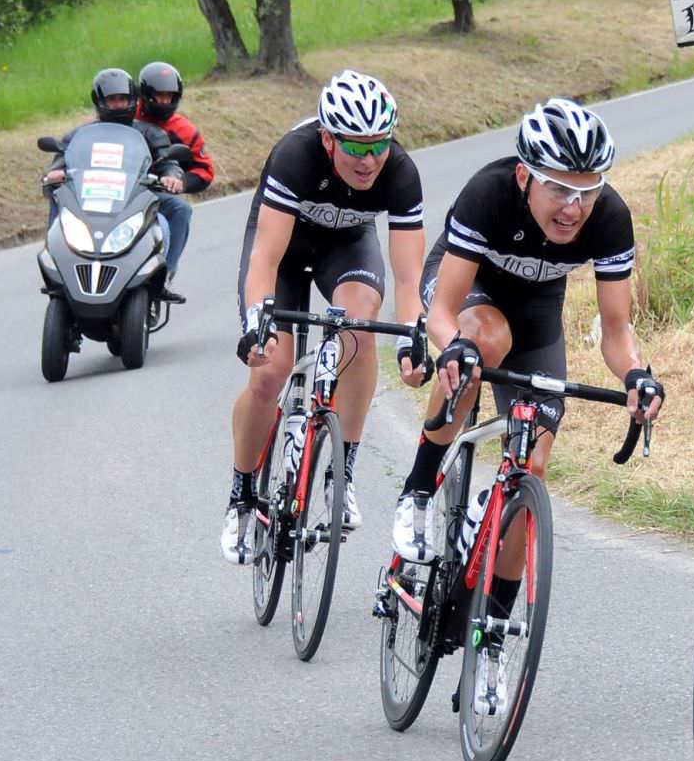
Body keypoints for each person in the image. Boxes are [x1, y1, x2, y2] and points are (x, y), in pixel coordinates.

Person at [390, 97, 664, 583]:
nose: (573, 207)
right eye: (558, 188)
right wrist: (453, 344)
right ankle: (418, 490)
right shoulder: (490, 193)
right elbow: (441, 313)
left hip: (538, 318)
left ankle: (496, 633)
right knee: (483, 340)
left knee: (531, 472)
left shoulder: (611, 217)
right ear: (525, 177)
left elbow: (617, 331)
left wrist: (636, 375)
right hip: (470, 293)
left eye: (587, 191)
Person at [223, 70, 427, 562]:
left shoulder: (399, 171)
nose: (369, 159)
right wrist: (257, 321)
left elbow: (407, 275)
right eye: (355, 148)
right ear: (328, 138)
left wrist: (412, 337)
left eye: (379, 145)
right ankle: (242, 495)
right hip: (286, 250)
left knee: (359, 325)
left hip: (347, 246)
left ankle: (343, 472)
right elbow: (264, 261)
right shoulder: (296, 155)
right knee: (270, 373)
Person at [42, 67, 185, 230]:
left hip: (137, 198)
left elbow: (168, 162)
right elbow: (63, 157)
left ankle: (163, 256)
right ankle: (55, 249)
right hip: (89, 196)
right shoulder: (81, 134)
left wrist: (171, 176)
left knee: (180, 209)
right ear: (99, 101)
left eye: (122, 99)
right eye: (112, 99)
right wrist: (56, 172)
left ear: (132, 99)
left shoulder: (152, 133)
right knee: (59, 195)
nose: (118, 105)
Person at [135, 60, 216, 301]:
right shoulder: (125, 116)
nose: (164, 101)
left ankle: (165, 274)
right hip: (118, 189)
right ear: (145, 95)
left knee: (181, 208)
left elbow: (205, 171)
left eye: (170, 96)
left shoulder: (184, 130)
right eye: (159, 96)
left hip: (154, 192)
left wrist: (182, 183)